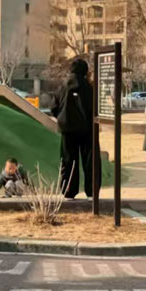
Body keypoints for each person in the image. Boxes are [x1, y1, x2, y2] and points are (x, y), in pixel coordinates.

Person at [51, 58, 94, 198]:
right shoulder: (89, 88)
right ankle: (91, 190)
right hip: (87, 129)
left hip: (67, 129)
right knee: (89, 161)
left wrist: (61, 118)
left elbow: (54, 107)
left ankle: (68, 190)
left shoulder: (63, 86)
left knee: (68, 160)